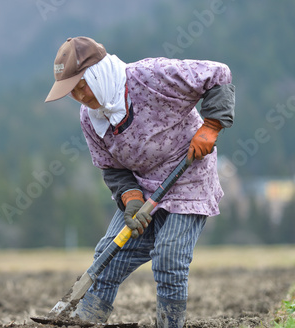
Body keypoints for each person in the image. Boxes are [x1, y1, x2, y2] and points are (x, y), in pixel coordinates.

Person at [44, 36, 235, 328]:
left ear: (98, 74)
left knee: (169, 257)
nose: (81, 96)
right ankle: (88, 319)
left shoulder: (150, 76)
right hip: (143, 188)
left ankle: (169, 324)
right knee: (109, 253)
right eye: (72, 91)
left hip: (187, 177)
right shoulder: (90, 118)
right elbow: (110, 166)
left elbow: (218, 74)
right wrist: (131, 199)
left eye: (82, 85)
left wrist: (211, 125)